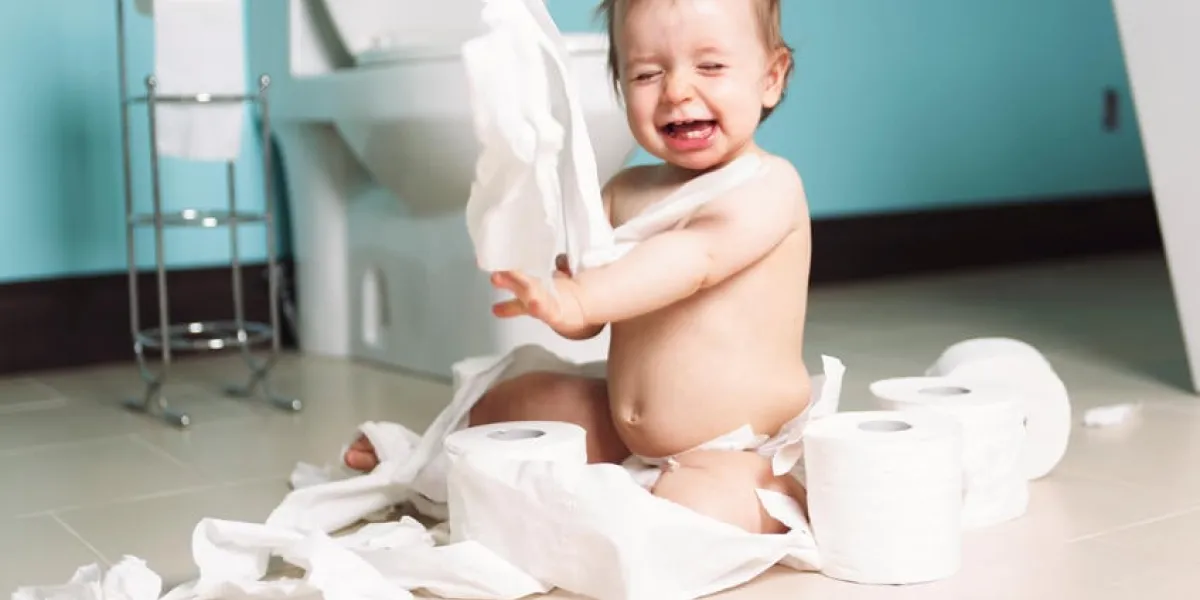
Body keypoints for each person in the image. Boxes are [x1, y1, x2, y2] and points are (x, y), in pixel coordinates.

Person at [346, 0, 809, 535]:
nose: (677, 90)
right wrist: (559, 289)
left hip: (732, 443)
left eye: (710, 66)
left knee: (691, 512)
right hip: (623, 423)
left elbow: (694, 259)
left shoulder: (767, 186)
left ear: (771, 79)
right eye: (647, 72)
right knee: (512, 405)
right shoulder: (624, 192)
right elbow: (593, 315)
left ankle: (772, 490)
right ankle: (421, 463)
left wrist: (583, 297)